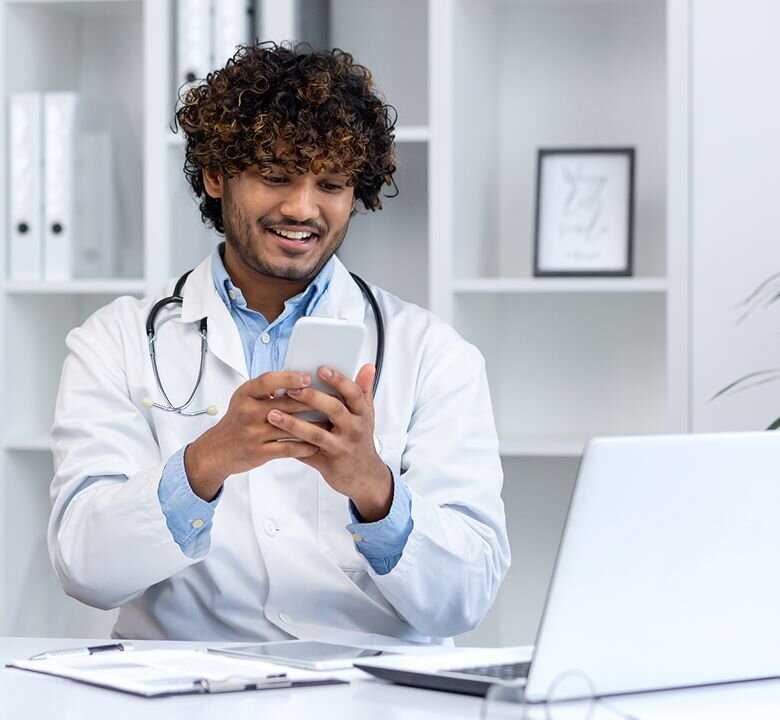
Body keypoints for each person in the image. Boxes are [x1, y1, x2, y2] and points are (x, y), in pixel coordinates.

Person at [48, 42, 510, 644]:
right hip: (186, 678)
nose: (302, 208)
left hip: (367, 683)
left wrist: (372, 485)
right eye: (275, 177)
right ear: (216, 175)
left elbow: (466, 597)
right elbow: (84, 568)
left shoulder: (433, 354)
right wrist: (206, 462)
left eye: (331, 183)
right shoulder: (114, 341)